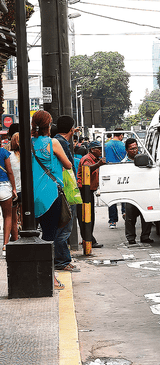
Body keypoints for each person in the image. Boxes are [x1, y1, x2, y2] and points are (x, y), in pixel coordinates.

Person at [31, 110, 75, 289]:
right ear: (49, 126)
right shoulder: (53, 142)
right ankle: (50, 277)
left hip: (31, 195)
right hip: (51, 194)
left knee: (35, 235)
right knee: (49, 236)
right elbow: (68, 164)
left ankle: (37, 273)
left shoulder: (29, 143)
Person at [53, 115, 81, 269]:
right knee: (65, 227)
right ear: (71, 129)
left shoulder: (56, 140)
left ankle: (63, 258)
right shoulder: (61, 143)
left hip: (58, 189)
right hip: (66, 190)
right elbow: (68, 166)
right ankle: (62, 260)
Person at [121, 138, 153, 245]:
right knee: (130, 218)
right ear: (127, 150)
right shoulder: (124, 163)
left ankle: (145, 236)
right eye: (131, 149)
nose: (134, 151)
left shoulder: (145, 158)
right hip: (131, 193)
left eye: (136, 148)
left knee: (147, 216)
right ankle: (131, 238)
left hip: (144, 192)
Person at [76, 141, 105, 248]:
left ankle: (88, 238)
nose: (101, 151)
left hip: (89, 190)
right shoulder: (87, 159)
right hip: (84, 191)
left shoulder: (94, 159)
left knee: (89, 216)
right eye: (99, 149)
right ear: (92, 149)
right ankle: (88, 239)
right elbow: (86, 170)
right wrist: (98, 164)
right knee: (86, 216)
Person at [104, 129, 126, 228]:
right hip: (122, 172)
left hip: (110, 173)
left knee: (112, 198)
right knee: (124, 195)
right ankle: (126, 213)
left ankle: (112, 221)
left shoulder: (106, 145)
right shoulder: (123, 145)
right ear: (121, 135)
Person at [0, 134, 17, 255]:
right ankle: (5, 245)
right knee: (8, 216)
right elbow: (10, 171)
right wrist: (14, 188)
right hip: (4, 186)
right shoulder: (4, 152)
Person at [9, 133, 21, 242]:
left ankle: (16, 239)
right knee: (26, 218)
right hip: (25, 191)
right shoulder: (29, 155)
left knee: (13, 218)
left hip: (12, 190)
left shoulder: (8, 156)